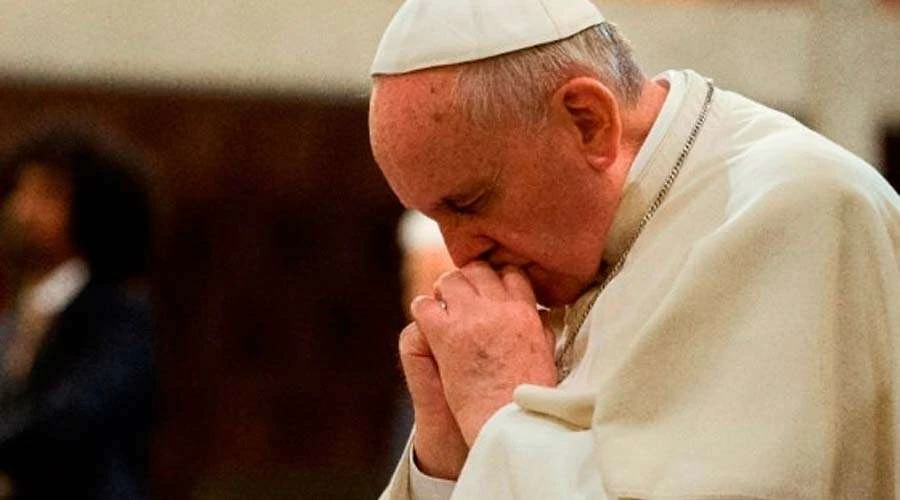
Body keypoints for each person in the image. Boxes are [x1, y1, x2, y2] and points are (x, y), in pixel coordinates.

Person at [367, 0, 900, 498]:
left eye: (471, 203)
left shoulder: (799, 211)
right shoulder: (584, 250)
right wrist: (446, 462)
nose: (462, 256)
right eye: (435, 219)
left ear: (588, 121)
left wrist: (501, 414)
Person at [0, 125, 156, 499]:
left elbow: (75, 418)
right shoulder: (18, 312)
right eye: (21, 190)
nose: (24, 211)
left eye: (47, 194)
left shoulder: (118, 316)